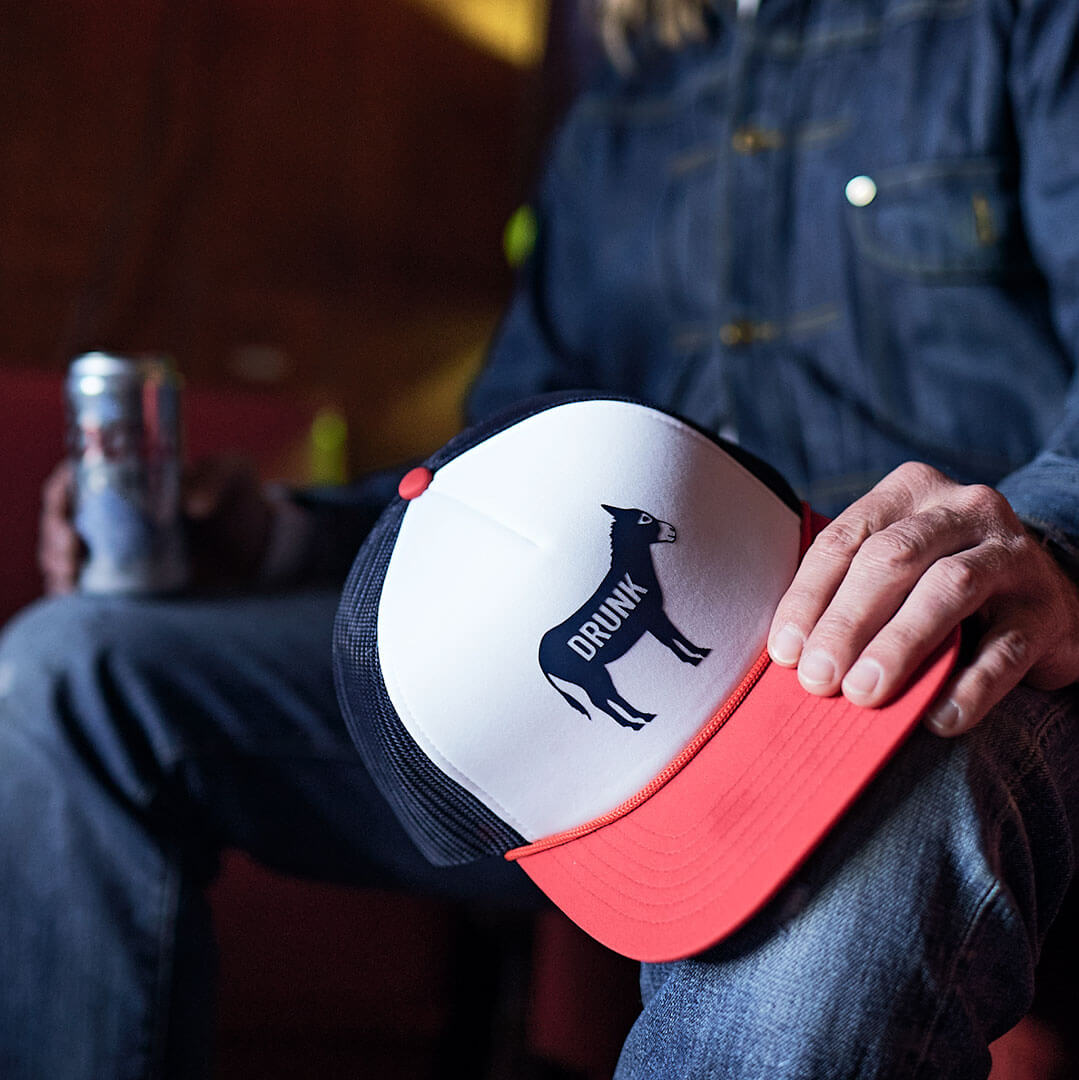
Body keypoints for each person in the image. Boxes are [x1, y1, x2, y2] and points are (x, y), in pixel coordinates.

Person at [5, 0, 1079, 1075]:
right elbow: (503, 464)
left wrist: (1042, 531)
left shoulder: (1019, 24)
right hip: (611, 712)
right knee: (72, 671)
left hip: (931, 642)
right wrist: (281, 539)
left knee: (833, 832)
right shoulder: (625, 104)